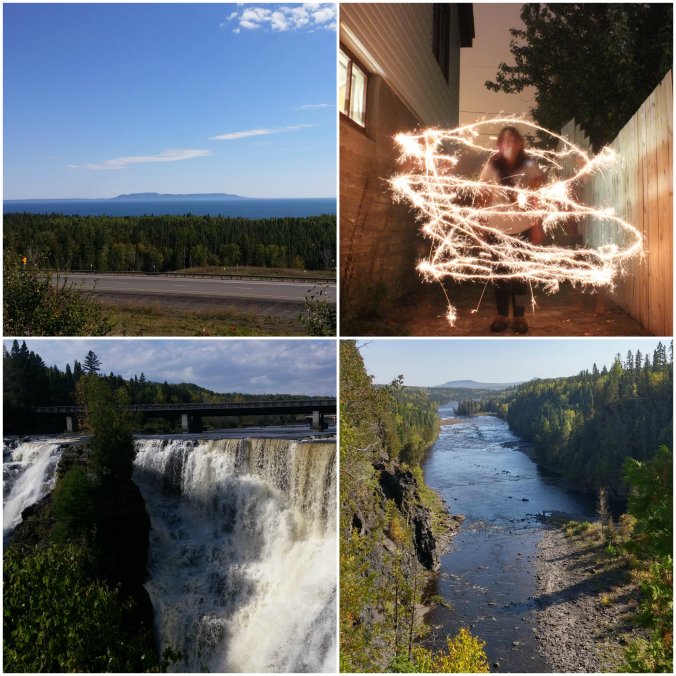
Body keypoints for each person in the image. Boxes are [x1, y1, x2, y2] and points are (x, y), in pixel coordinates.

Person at [479, 126, 544, 334]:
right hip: (498, 228)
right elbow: (484, 195)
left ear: (520, 144)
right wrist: (481, 224)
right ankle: (501, 315)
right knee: (499, 275)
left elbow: (537, 199)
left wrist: (536, 225)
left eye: (513, 139)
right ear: (499, 144)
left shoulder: (529, 166)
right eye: (505, 140)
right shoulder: (492, 166)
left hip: (522, 228)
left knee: (520, 276)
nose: (509, 143)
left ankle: (519, 316)